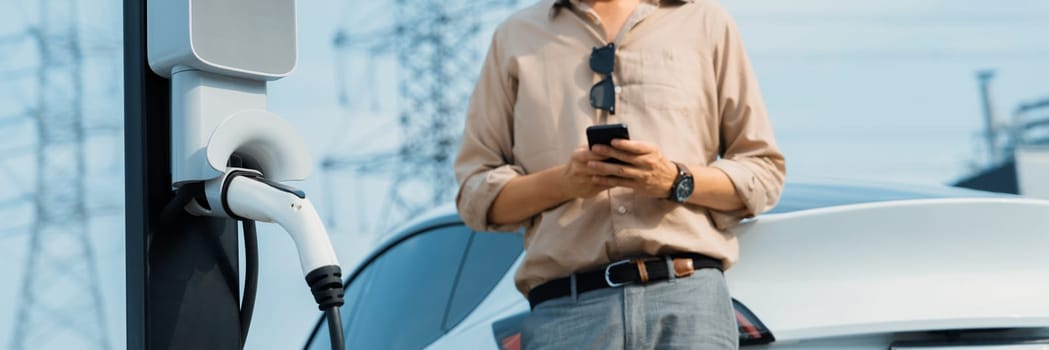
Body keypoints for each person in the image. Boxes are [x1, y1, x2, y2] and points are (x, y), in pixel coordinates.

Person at [455, 0, 785, 348]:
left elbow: (763, 172)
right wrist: (563, 183)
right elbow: (475, 196)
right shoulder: (515, 37)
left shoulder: (705, 22)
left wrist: (674, 180)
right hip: (567, 316)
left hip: (690, 307)